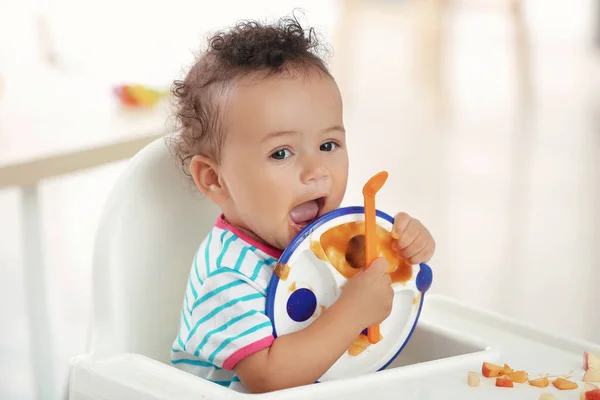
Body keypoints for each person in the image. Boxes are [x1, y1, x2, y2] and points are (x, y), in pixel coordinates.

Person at [168, 15, 435, 393]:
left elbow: (389, 282)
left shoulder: (335, 241)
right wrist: (354, 312)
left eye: (328, 145)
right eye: (281, 153)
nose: (316, 170)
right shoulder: (226, 274)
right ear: (215, 179)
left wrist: (408, 248)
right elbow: (269, 378)